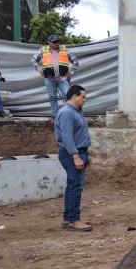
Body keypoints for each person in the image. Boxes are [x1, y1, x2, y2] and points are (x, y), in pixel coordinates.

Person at [55, 85, 92, 232]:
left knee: (73, 186)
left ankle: (68, 218)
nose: (84, 100)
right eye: (82, 97)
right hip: (71, 154)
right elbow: (67, 137)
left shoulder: (76, 112)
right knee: (75, 186)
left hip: (78, 152)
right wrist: (76, 156)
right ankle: (73, 220)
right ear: (74, 96)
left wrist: (84, 155)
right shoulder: (67, 113)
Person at [31, 34, 79, 118]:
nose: (57, 43)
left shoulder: (65, 50)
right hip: (49, 78)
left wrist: (71, 72)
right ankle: (55, 115)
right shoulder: (43, 50)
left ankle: (71, 113)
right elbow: (33, 60)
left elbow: (75, 61)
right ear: (49, 42)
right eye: (54, 42)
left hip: (63, 78)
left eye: (58, 41)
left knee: (67, 95)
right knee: (52, 97)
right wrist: (39, 69)